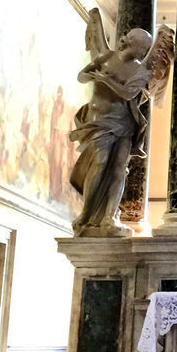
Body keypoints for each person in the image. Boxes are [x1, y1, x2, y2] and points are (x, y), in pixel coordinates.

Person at [69, 28, 154, 236]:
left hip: (125, 124)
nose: (144, 52)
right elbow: (81, 76)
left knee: (119, 169)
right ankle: (87, 214)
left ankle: (110, 216)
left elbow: (128, 93)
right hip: (100, 120)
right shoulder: (105, 57)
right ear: (131, 42)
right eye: (142, 47)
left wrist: (105, 80)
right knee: (99, 162)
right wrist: (92, 76)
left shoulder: (140, 70)